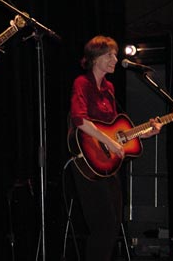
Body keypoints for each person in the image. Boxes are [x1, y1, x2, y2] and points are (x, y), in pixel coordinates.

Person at [67, 35, 162, 261]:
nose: (115, 59)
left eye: (115, 54)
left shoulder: (109, 88)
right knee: (104, 226)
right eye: (110, 55)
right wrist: (109, 141)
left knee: (113, 226)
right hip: (88, 163)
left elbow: (117, 131)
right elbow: (79, 120)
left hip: (109, 164)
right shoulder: (82, 83)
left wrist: (145, 133)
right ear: (95, 58)